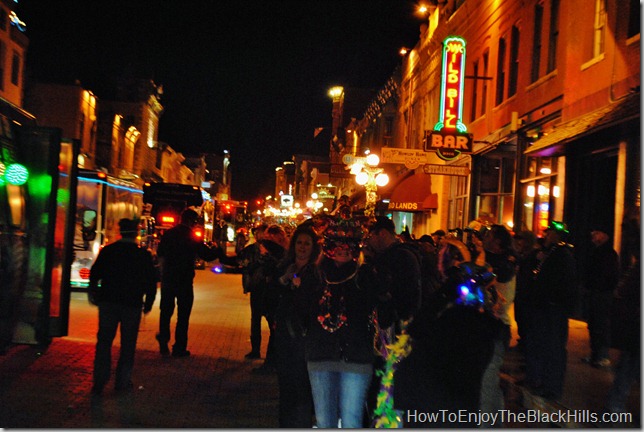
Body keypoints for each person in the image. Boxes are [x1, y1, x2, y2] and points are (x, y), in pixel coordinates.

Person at [391, 239, 498, 428]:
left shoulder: (449, 312)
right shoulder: (483, 323)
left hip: (433, 406)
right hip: (449, 407)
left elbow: (417, 329)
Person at [299, 208, 378, 428]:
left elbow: (375, 309)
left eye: (349, 244)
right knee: (325, 421)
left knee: (352, 420)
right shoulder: (314, 274)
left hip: (356, 357)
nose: (343, 249)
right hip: (320, 355)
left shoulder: (366, 275)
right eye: (337, 243)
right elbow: (303, 311)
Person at [88, 218, 157, 395]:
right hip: (131, 304)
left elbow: (95, 274)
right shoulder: (142, 255)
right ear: (136, 233)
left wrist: (94, 292)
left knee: (104, 341)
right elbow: (150, 281)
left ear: (120, 231)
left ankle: (100, 380)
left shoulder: (109, 251)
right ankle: (122, 381)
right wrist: (148, 303)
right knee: (128, 344)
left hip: (109, 301)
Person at [155, 208, 221, 358]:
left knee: (165, 312)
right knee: (183, 316)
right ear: (192, 222)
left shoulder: (169, 234)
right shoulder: (192, 237)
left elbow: (160, 253)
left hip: (169, 279)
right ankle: (179, 347)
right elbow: (207, 255)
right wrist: (217, 250)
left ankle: (164, 339)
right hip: (184, 280)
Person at [524, 221, 578, 401]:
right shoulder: (551, 254)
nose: (546, 236)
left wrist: (550, 299)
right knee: (544, 346)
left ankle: (552, 388)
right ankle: (542, 382)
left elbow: (561, 285)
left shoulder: (562, 255)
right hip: (546, 308)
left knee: (553, 349)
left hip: (553, 310)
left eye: (550, 234)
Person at [274, 224, 321, 427]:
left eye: (307, 244)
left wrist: (300, 289)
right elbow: (272, 297)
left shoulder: (316, 273)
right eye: (299, 243)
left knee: (302, 384)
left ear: (313, 247)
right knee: (286, 384)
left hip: (304, 336)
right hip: (284, 334)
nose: (302, 247)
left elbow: (313, 304)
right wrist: (283, 281)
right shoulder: (285, 267)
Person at [479, 224, 517, 425]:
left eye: (489, 236)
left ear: (498, 243)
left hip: (496, 329)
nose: (485, 238)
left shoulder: (502, 266)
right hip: (492, 329)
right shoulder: (496, 263)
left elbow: (497, 299)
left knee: (486, 383)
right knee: (490, 384)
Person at [605, 220, 640, 414]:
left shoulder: (635, 273)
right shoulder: (634, 272)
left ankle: (611, 414)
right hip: (632, 336)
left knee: (624, 376)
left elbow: (624, 304)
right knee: (625, 375)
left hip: (632, 336)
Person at [365, 216, 422, 332]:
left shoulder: (399, 256)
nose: (368, 241)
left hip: (396, 325)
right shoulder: (396, 254)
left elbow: (388, 289)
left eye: (370, 236)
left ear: (382, 233)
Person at [251, 224, 288, 373]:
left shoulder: (274, 253)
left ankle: (272, 363)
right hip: (273, 295)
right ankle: (273, 362)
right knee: (275, 331)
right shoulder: (284, 253)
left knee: (275, 331)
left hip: (275, 295)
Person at [581, 225, 619, 368]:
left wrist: (597, 286)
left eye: (597, 233)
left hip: (602, 294)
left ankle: (602, 355)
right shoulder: (596, 252)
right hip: (595, 293)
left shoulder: (609, 254)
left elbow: (608, 276)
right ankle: (595, 353)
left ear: (605, 236)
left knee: (601, 324)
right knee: (594, 324)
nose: (594, 236)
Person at [238, 223, 268, 359]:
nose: (258, 235)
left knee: (270, 320)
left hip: (269, 288)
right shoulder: (250, 249)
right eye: (257, 232)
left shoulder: (272, 249)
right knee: (255, 319)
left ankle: (271, 354)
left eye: (261, 232)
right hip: (256, 287)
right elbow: (242, 262)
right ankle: (255, 350)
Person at [512, 230, 539, 354]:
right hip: (521, 292)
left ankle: (526, 346)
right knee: (520, 318)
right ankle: (523, 342)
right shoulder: (522, 255)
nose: (519, 242)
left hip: (527, 293)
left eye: (521, 240)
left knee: (525, 320)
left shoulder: (533, 256)